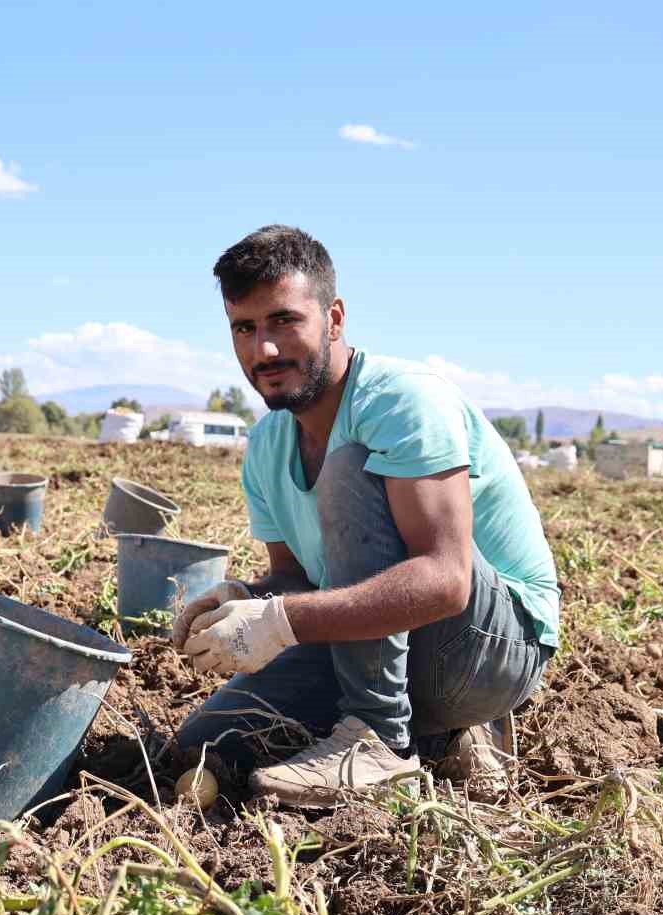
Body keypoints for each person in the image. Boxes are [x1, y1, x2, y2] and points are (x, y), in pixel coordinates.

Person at [171, 226, 560, 808]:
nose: (264, 351)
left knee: (348, 469)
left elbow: (446, 580)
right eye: (244, 329)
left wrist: (279, 623)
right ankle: (438, 739)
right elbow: (301, 583)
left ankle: (379, 740)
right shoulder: (268, 446)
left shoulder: (399, 400)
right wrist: (245, 598)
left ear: (334, 318)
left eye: (284, 321)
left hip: (489, 649)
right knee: (206, 744)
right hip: (382, 648)